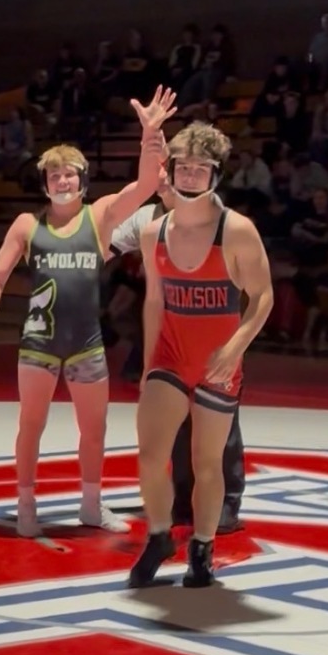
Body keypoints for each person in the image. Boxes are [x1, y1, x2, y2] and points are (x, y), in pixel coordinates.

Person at [0, 86, 177, 538]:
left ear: (83, 180)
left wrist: (151, 135)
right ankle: (26, 504)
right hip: (38, 347)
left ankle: (90, 505)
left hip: (86, 346)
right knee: (31, 425)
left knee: (95, 429)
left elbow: (143, 187)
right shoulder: (28, 225)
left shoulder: (99, 217)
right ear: (45, 183)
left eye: (70, 175)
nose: (63, 182)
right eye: (55, 175)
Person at [128, 121, 273, 589]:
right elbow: (154, 301)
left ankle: (203, 548)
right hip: (170, 358)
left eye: (200, 168)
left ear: (216, 173)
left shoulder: (237, 231)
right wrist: (150, 362)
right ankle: (157, 535)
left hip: (217, 364)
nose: (189, 176)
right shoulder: (154, 234)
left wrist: (236, 346)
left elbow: (263, 297)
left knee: (208, 464)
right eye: (183, 167)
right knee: (150, 455)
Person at [111, 171, 246, 534]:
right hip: (171, 333)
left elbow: (250, 286)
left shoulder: (218, 220)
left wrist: (236, 342)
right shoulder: (148, 220)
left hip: (211, 333)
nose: (165, 185)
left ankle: (226, 503)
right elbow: (105, 244)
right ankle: (185, 500)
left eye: (168, 178)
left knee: (217, 430)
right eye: (158, 180)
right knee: (174, 424)